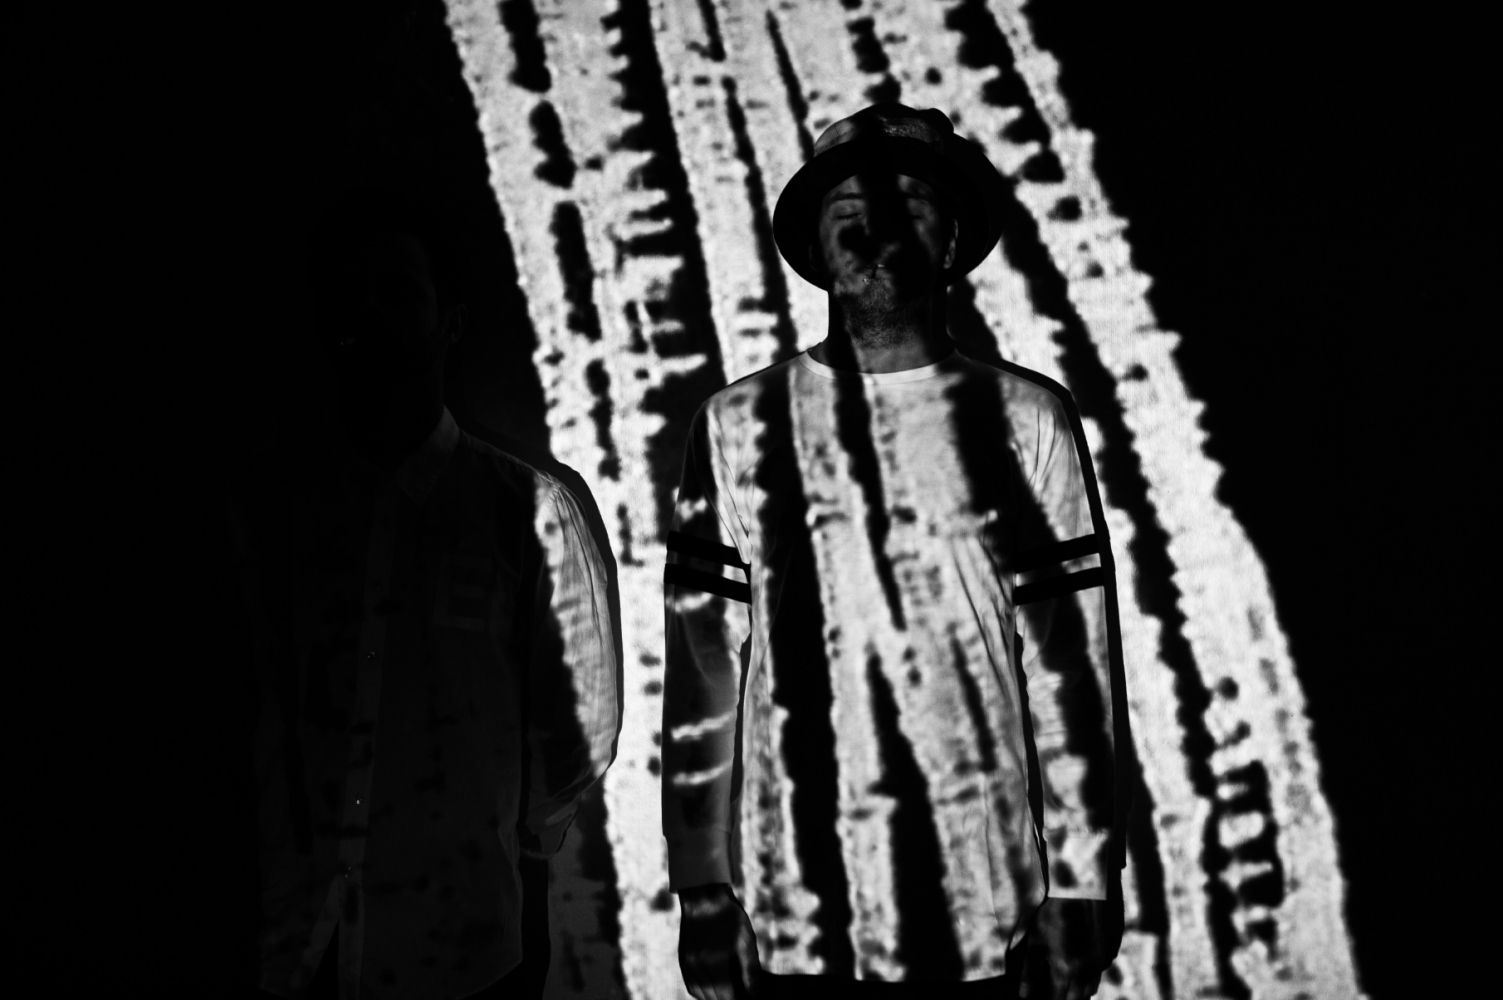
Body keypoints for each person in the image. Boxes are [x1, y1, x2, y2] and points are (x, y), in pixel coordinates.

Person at [662, 104, 1132, 999]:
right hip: (794, 913)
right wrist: (700, 883)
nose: (876, 227)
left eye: (907, 203)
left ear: (949, 241)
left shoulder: (1028, 419)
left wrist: (1083, 880)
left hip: (984, 917)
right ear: (815, 242)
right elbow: (701, 669)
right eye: (850, 206)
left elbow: (1071, 663)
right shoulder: (734, 424)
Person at [226, 188, 622, 999]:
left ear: (450, 321)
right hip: (297, 940)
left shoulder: (529, 507)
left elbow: (582, 721)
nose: (369, 313)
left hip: (465, 947)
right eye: (350, 293)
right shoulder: (273, 508)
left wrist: (521, 851)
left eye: (399, 291)